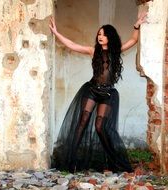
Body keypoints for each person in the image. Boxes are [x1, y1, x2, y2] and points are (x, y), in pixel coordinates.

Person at [49, 12, 147, 173]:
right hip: (91, 90)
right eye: (99, 34)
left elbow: (134, 40)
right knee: (82, 122)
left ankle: (114, 162)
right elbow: (73, 45)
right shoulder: (92, 50)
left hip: (108, 93)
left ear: (110, 37)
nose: (100, 36)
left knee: (100, 127)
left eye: (103, 34)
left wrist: (137, 25)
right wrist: (56, 33)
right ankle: (69, 162)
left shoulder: (116, 51)